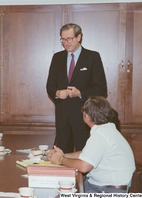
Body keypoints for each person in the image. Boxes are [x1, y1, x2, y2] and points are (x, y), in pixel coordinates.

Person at [48, 96, 135, 193]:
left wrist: (61, 160)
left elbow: (84, 166)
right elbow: (85, 154)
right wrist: (63, 155)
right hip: (107, 187)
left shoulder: (100, 134)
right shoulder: (107, 130)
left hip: (108, 190)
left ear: (87, 116)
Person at [46, 23, 107, 153]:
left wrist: (80, 93)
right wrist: (57, 92)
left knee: (85, 155)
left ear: (79, 37)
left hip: (84, 118)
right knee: (62, 157)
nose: (66, 43)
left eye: (70, 39)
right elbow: (50, 86)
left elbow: (101, 88)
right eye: (63, 39)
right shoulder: (57, 58)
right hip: (63, 118)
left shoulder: (92, 57)